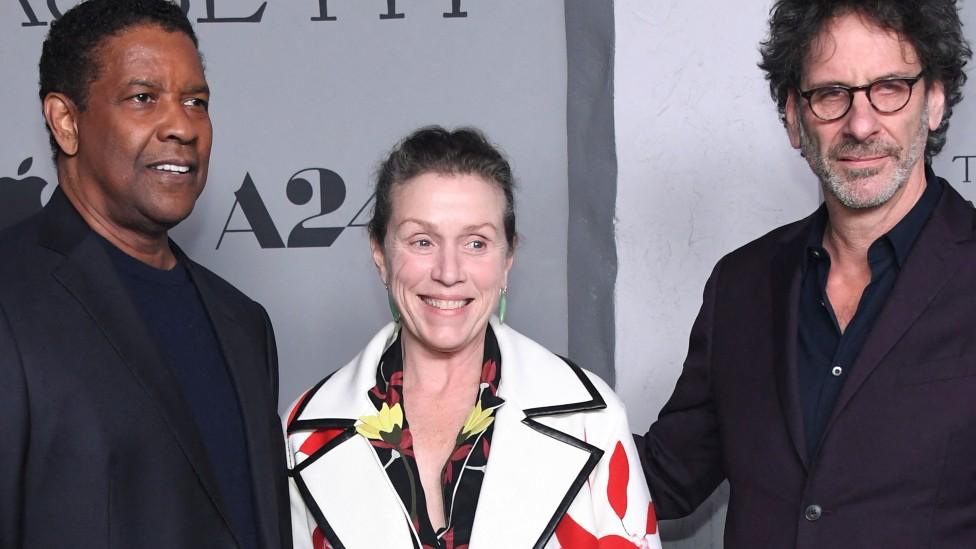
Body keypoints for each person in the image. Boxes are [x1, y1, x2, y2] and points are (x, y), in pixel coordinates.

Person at [635, 0, 975, 547]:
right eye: (831, 94)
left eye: (890, 87)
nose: (860, 124)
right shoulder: (741, 284)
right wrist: (480, 400)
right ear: (794, 118)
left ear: (934, 101)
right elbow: (667, 477)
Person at [285, 127, 660, 549]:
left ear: (507, 259)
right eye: (422, 241)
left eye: (476, 243)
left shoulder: (592, 420)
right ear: (380, 254)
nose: (448, 271)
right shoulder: (302, 435)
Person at [0, 1, 289, 547]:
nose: (181, 125)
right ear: (67, 121)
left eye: (195, 101)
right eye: (143, 98)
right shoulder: (11, 299)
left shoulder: (243, 323)